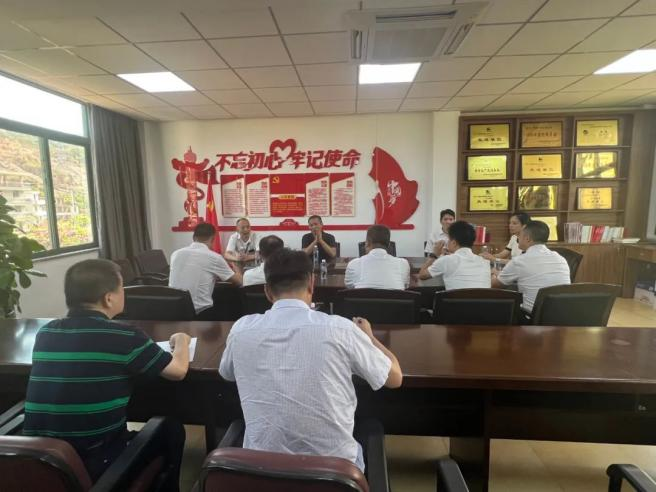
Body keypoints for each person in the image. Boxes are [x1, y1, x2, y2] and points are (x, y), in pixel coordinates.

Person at [219, 248, 402, 471]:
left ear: (267, 291)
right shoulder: (341, 329)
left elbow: (226, 373)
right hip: (333, 475)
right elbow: (394, 378)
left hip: (261, 472)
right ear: (312, 284)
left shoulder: (241, 329)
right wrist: (370, 338)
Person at [23, 259, 189, 488]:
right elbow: (177, 371)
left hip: (38, 461)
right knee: (170, 429)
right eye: (122, 289)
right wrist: (182, 340)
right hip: (94, 461)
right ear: (109, 298)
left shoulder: (46, 332)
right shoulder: (124, 335)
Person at [492, 220, 570, 312]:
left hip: (531, 317)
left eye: (519, 235)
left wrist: (492, 274)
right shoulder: (561, 259)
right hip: (562, 315)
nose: (517, 238)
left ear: (527, 238)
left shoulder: (519, 261)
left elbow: (495, 285)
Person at [169, 223, 242, 315]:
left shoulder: (175, 254)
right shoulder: (214, 257)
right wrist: (236, 265)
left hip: (173, 310)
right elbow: (240, 281)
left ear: (193, 238)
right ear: (213, 239)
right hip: (199, 313)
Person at [419, 220, 491, 290]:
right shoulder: (485, 262)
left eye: (449, 239)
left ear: (454, 243)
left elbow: (422, 275)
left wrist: (434, 254)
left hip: (455, 298)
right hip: (483, 298)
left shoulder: (446, 260)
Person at [345, 225, 410, 290]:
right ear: (389, 245)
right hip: (394, 296)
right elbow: (405, 286)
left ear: (367, 243)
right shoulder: (403, 264)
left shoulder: (353, 264)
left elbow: (349, 287)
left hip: (363, 297)